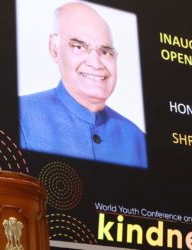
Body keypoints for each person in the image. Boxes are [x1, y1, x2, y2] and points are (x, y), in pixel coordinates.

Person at [19, 2, 147, 168]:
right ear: (54, 49)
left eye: (105, 52)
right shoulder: (21, 116)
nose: (96, 64)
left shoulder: (138, 140)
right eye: (79, 46)